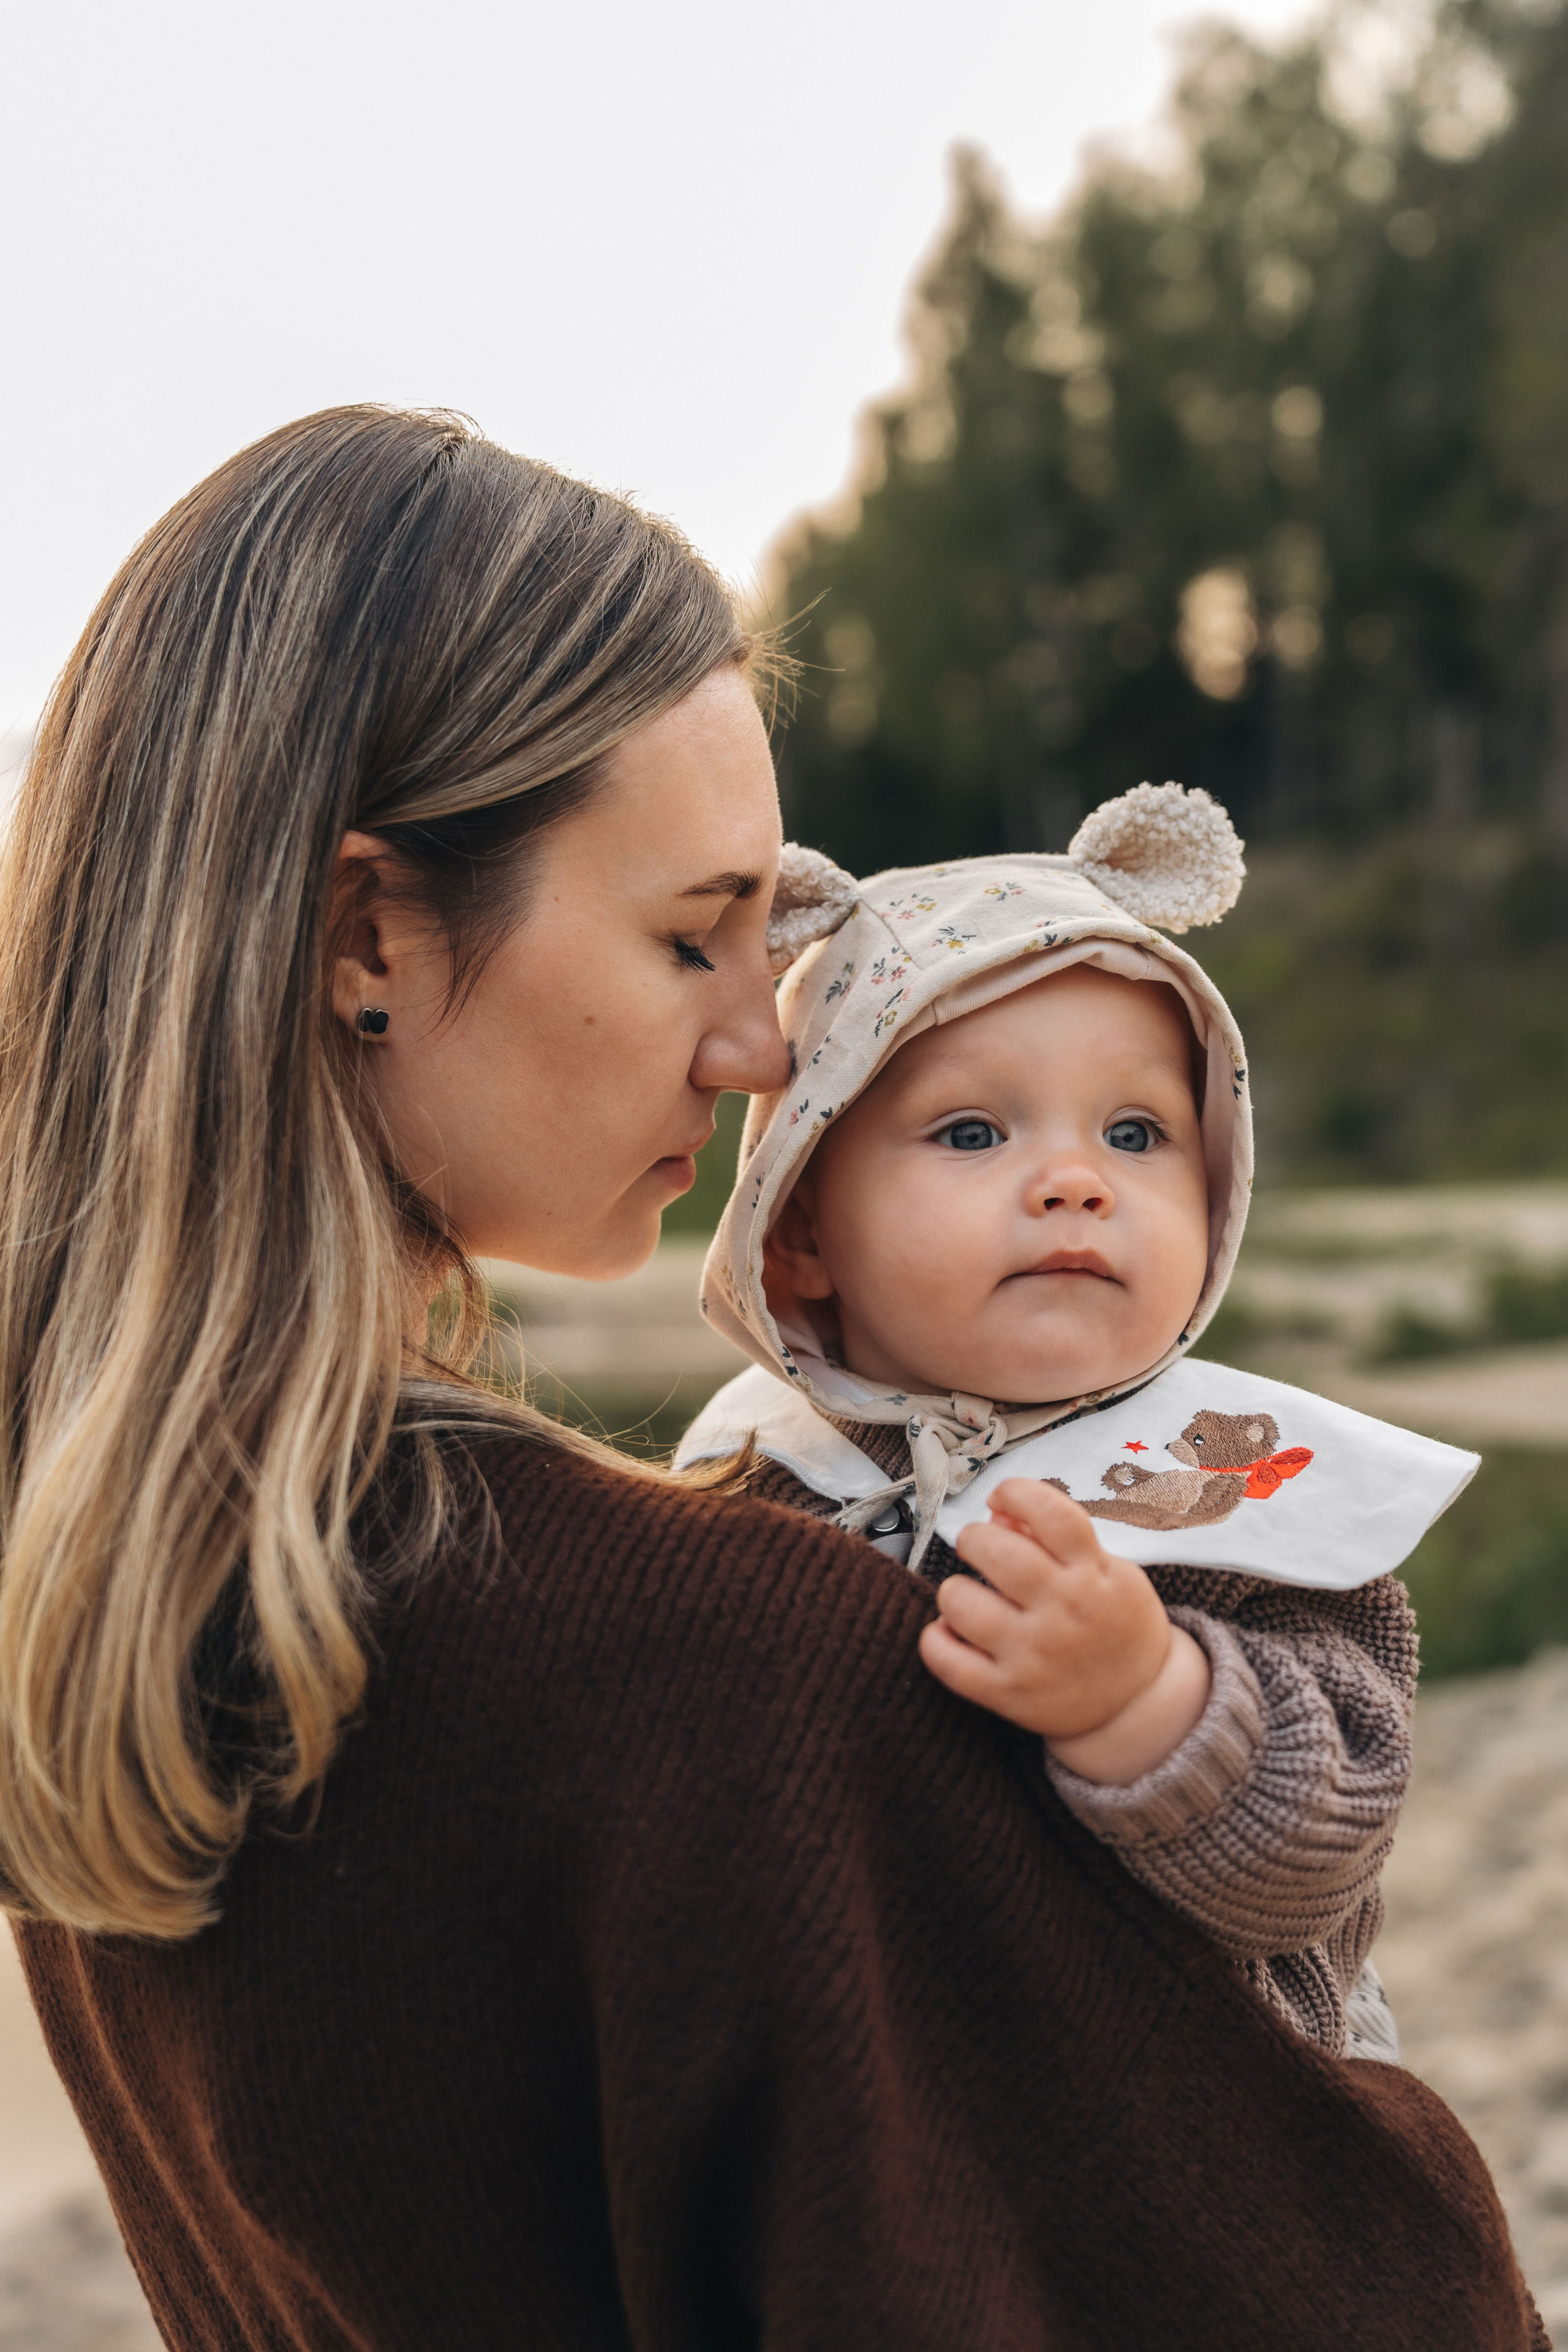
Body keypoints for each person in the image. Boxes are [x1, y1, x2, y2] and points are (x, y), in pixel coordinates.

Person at [0, 407, 1545, 2350]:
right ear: (363, 934)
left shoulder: (96, 1640)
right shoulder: (730, 1675)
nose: (757, 1052)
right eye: (688, 940)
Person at [679, 812, 1480, 2068]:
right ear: (799, 1226)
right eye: (971, 1133)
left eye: (1132, 1134)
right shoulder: (748, 1483)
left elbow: (1319, 1865)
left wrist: (1145, 1698)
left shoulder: (1231, 1497)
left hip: (1211, 2150)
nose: (1073, 1181)